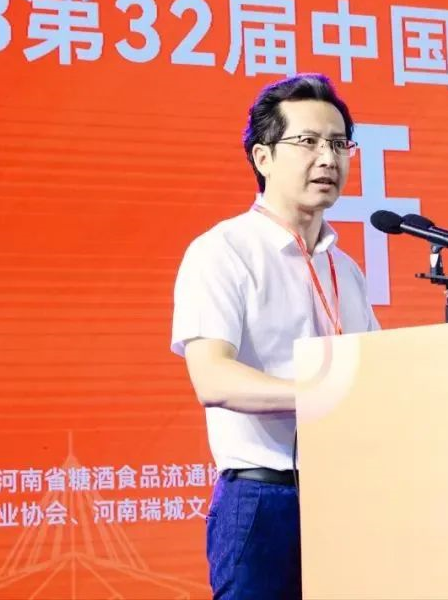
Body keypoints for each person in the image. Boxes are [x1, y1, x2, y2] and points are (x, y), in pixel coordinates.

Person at [170, 74, 380, 600]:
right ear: (262, 158)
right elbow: (212, 377)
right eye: (308, 142)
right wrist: (320, 394)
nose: (328, 158)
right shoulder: (223, 251)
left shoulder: (345, 269)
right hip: (265, 500)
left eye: (339, 144)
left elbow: (376, 370)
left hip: (347, 497)